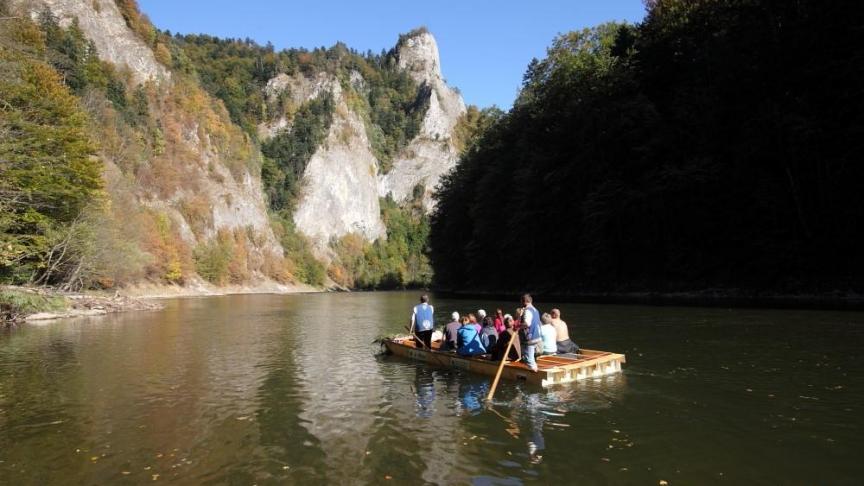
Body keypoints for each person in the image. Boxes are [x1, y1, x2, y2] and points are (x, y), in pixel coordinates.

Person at [518, 294, 543, 372]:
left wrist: (518, 326)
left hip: (530, 338)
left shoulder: (527, 311)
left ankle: (534, 372)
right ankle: (533, 366)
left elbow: (527, 324)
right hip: (537, 337)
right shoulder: (536, 310)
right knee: (531, 357)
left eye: (521, 302)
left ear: (524, 302)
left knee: (529, 360)